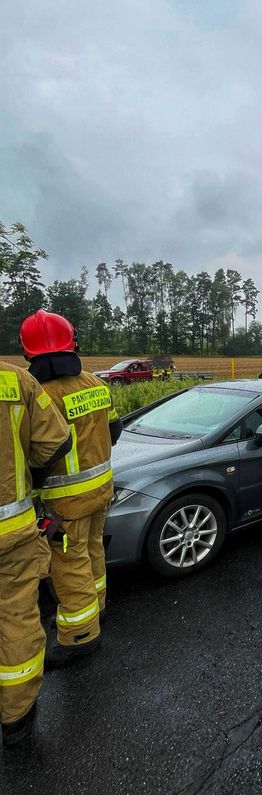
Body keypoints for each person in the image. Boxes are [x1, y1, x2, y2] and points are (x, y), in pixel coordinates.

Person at [19, 310, 123, 670]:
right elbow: (115, 430)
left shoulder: (39, 393)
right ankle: (97, 610)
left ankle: (80, 637)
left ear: (29, 353)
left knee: (69, 565)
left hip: (65, 502)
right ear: (71, 344)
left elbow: (38, 452)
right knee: (93, 552)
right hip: (102, 490)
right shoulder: (96, 383)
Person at [0, 359, 72, 747]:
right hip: (10, 533)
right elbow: (56, 443)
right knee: (17, 619)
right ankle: (16, 718)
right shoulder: (14, 380)